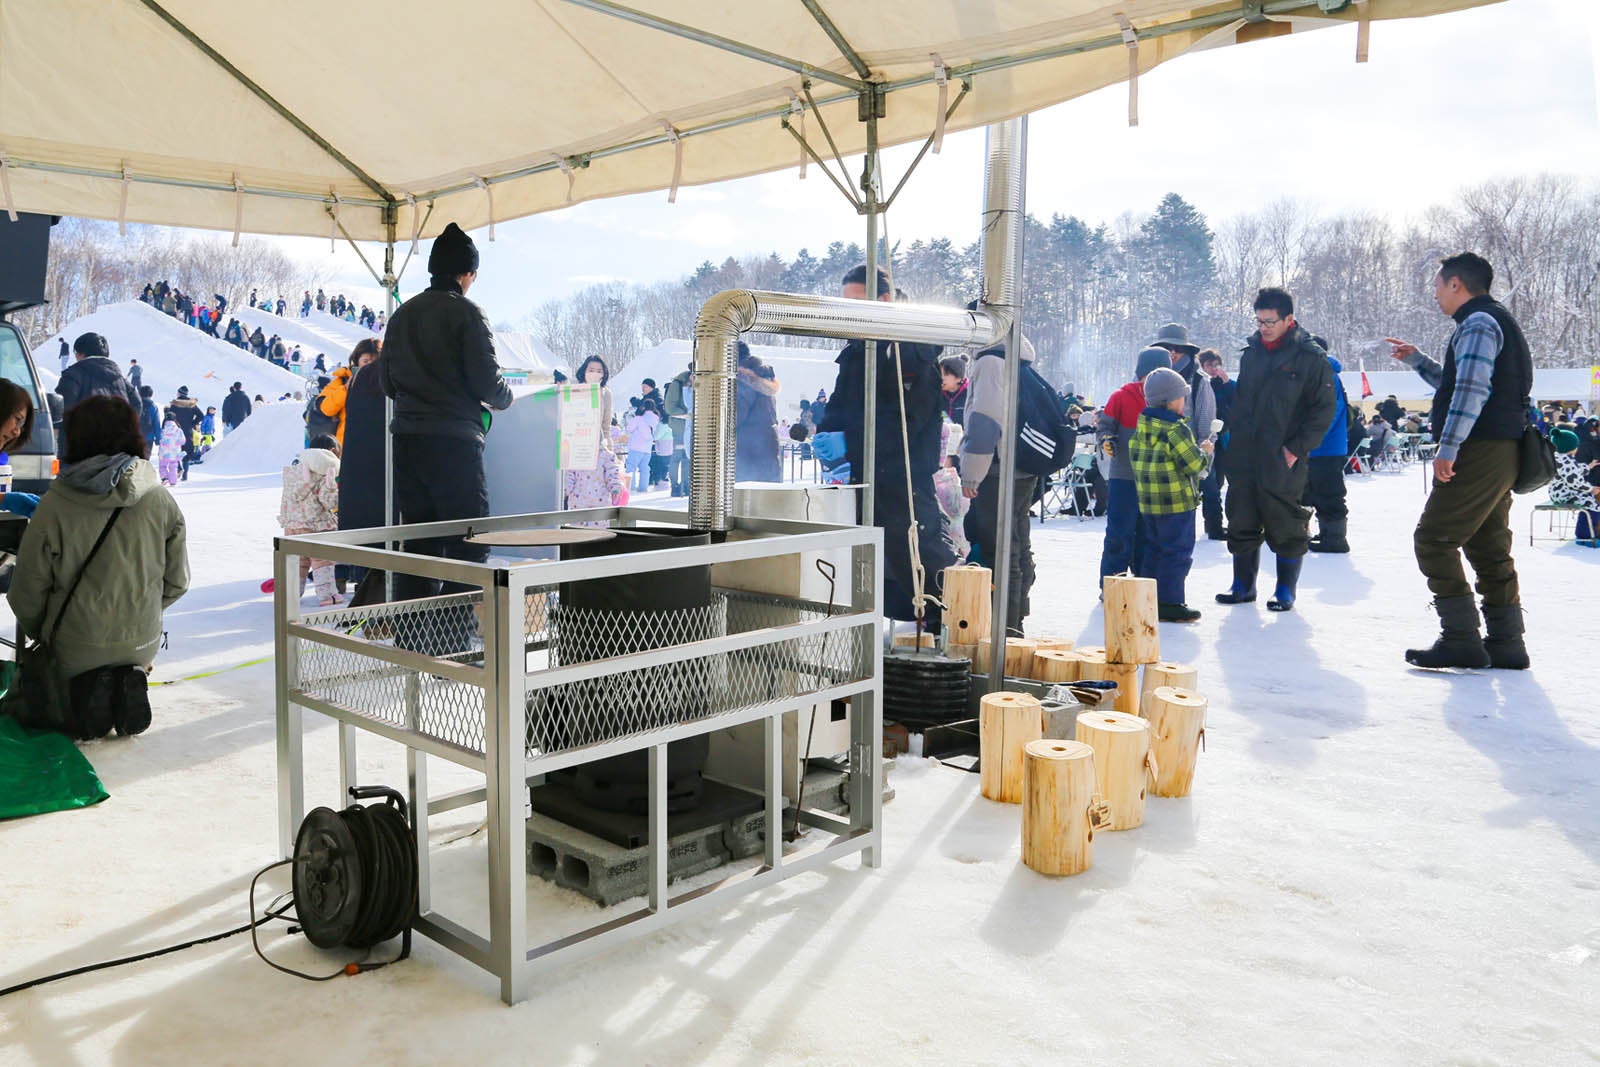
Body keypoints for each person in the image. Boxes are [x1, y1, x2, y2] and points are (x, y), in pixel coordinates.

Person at [8, 396, 187, 738]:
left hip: (73, 644)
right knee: (122, 644)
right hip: (142, 641)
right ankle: (122, 681)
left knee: (63, 669)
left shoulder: (56, 505)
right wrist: (134, 611)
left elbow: (25, 594)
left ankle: (87, 690)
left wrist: (50, 632)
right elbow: (177, 582)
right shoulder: (160, 500)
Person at [1387, 252, 1534, 669]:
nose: (1434, 294)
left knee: (1433, 539)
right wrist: (1417, 360)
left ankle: (1461, 638)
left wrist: (1448, 447)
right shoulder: (1493, 320)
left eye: (1438, 285)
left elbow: (1471, 392)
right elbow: (1459, 383)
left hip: (1479, 448)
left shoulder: (1478, 324)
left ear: (1456, 284)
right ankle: (1507, 643)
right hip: (1502, 447)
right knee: (1488, 545)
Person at [380, 222, 514, 652]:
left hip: (407, 440)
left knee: (417, 539)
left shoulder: (402, 314)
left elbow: (385, 382)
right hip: (454, 442)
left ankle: (409, 636)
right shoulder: (467, 312)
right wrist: (506, 397)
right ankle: (451, 640)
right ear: (467, 273)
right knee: (469, 541)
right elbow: (487, 381)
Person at [814, 265, 953, 633]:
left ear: (885, 300)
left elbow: (906, 422)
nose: (849, 311)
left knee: (919, 553)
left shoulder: (913, 352)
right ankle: (883, 631)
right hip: (865, 471)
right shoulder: (857, 348)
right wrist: (828, 436)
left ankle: (951, 624)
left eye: (857, 302)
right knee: (875, 559)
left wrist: (852, 442)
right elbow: (841, 403)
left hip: (903, 474)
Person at [1215, 288, 1335, 613]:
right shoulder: (1251, 353)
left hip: (1283, 455)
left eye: (1270, 321)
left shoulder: (1310, 359)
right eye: (1259, 320)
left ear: (1288, 320)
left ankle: (1285, 589)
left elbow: (1324, 410)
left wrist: (1296, 449)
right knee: (1240, 514)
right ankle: (1243, 585)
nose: (1264, 327)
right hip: (1244, 452)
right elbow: (1243, 401)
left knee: (1285, 519)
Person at [959, 328, 1041, 634]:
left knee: (1001, 550)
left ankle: (1003, 627)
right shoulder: (1018, 358)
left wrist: (972, 474)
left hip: (998, 469)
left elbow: (985, 420)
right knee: (1017, 544)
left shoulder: (991, 361)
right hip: (1022, 467)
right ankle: (1016, 619)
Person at [1130, 367, 1213, 622]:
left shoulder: (1142, 427)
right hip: (1176, 503)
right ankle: (1170, 601)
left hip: (1149, 503)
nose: (1184, 401)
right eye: (1182, 396)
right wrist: (1206, 452)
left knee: (1154, 549)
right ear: (1171, 400)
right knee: (1176, 552)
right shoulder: (1176, 430)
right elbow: (1194, 465)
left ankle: (1147, 599)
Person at [1098, 347, 1170, 580]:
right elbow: (1105, 427)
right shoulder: (1121, 396)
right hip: (1124, 476)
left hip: (1155, 479)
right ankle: (1112, 579)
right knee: (1120, 531)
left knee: (1149, 534)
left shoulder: (1169, 401)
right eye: (1150, 375)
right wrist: (1107, 439)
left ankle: (1143, 580)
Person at [277, 434, 343, 606]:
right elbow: (329, 502)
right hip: (317, 527)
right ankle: (328, 597)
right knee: (323, 561)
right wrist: (333, 488)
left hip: (292, 526)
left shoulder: (293, 472)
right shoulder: (323, 473)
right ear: (331, 452)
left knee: (297, 563)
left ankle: (289, 596)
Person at [55, 333, 140, 458]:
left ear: (80, 353)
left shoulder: (73, 375)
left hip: (80, 450)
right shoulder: (121, 379)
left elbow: (62, 406)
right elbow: (136, 404)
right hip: (117, 451)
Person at [1303, 337, 1351, 553]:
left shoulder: (1328, 375)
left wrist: (1309, 439)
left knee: (1329, 493)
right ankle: (1327, 534)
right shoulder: (1318, 374)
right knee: (1317, 491)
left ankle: (1335, 539)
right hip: (1320, 447)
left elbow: (1329, 413)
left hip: (1326, 447)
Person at [562, 355, 623, 523]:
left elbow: (606, 423)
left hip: (598, 443)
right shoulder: (573, 389)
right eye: (591, 370)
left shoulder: (606, 393)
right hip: (577, 444)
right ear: (584, 371)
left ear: (604, 374)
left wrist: (608, 447)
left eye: (599, 371)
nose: (595, 373)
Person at [1197, 348, 1235, 541]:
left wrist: (1227, 383)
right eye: (1209, 365)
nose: (1213, 369)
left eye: (1216, 364)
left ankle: (1224, 523)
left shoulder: (1226, 384)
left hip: (1226, 438)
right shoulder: (1201, 384)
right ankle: (1213, 525)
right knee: (1212, 483)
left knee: (1229, 482)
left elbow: (1239, 401)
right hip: (1209, 437)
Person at [734, 342, 782, 483]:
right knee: (770, 494)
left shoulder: (743, 379)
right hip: (768, 442)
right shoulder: (764, 376)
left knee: (745, 498)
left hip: (748, 447)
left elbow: (736, 416)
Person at [316, 339, 376, 447]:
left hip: (378, 445)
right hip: (347, 446)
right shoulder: (342, 380)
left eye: (375, 362)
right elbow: (326, 409)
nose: (369, 366)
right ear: (357, 361)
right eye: (365, 361)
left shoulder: (388, 382)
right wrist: (345, 389)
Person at [663, 362, 692, 497]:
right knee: (676, 457)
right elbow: (669, 407)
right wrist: (686, 413)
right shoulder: (678, 384)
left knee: (687, 457)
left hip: (690, 426)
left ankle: (686, 486)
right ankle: (675, 485)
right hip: (679, 427)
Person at [166, 386, 203, 479]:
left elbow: (169, 416)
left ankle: (179, 468)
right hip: (188, 431)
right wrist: (193, 423)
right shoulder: (191, 404)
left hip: (176, 430)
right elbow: (201, 415)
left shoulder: (175, 404)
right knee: (187, 452)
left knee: (175, 450)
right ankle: (185, 474)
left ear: (179, 393)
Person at [623, 397, 658, 493]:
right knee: (645, 468)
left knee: (631, 467)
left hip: (636, 446)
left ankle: (630, 487)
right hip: (647, 447)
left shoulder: (638, 418)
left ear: (643, 407)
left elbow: (629, 428)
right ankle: (643, 488)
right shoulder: (655, 419)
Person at [157, 415, 184, 486]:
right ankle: (173, 482)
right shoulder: (178, 430)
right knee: (173, 466)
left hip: (163, 452)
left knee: (162, 466)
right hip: (174, 453)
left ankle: (165, 478)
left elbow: (159, 438)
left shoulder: (162, 430)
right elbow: (183, 441)